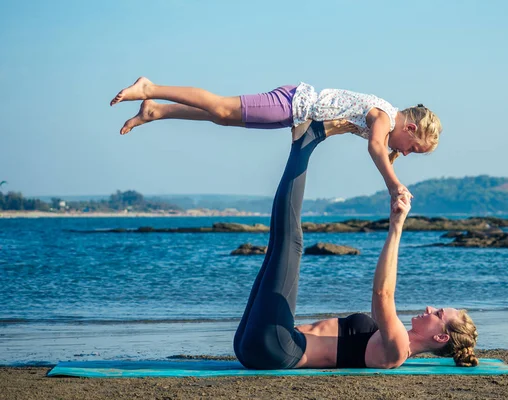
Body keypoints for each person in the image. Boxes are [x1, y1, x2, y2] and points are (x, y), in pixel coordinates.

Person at [231, 120, 478, 370]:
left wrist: (397, 226)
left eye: (438, 315)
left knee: (290, 244)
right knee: (278, 245)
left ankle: (306, 140)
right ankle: (304, 141)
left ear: (441, 337)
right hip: (259, 346)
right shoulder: (395, 336)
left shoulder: (398, 349)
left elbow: (383, 294)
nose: (430, 308)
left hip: (277, 347)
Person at [110, 78, 443, 202]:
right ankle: (150, 88)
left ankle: (157, 112)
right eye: (413, 148)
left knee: (223, 118)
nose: (407, 153)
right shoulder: (383, 119)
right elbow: (375, 147)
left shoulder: (384, 117)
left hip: (291, 111)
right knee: (222, 106)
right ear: (410, 129)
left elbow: (374, 142)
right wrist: (393, 185)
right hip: (292, 103)